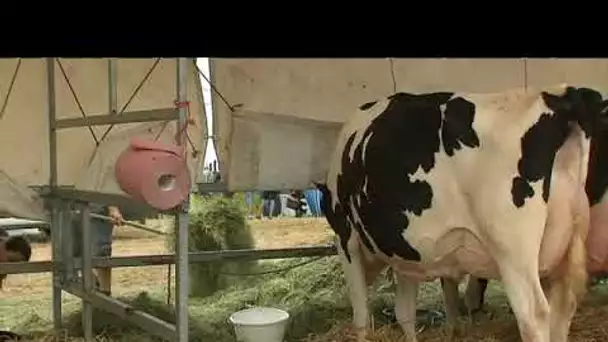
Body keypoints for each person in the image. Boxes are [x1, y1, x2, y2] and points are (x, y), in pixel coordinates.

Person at [72, 204, 124, 296]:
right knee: (75, 256)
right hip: (71, 207)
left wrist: (112, 207)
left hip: (98, 209)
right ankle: (93, 291)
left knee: (101, 253)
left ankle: (104, 294)